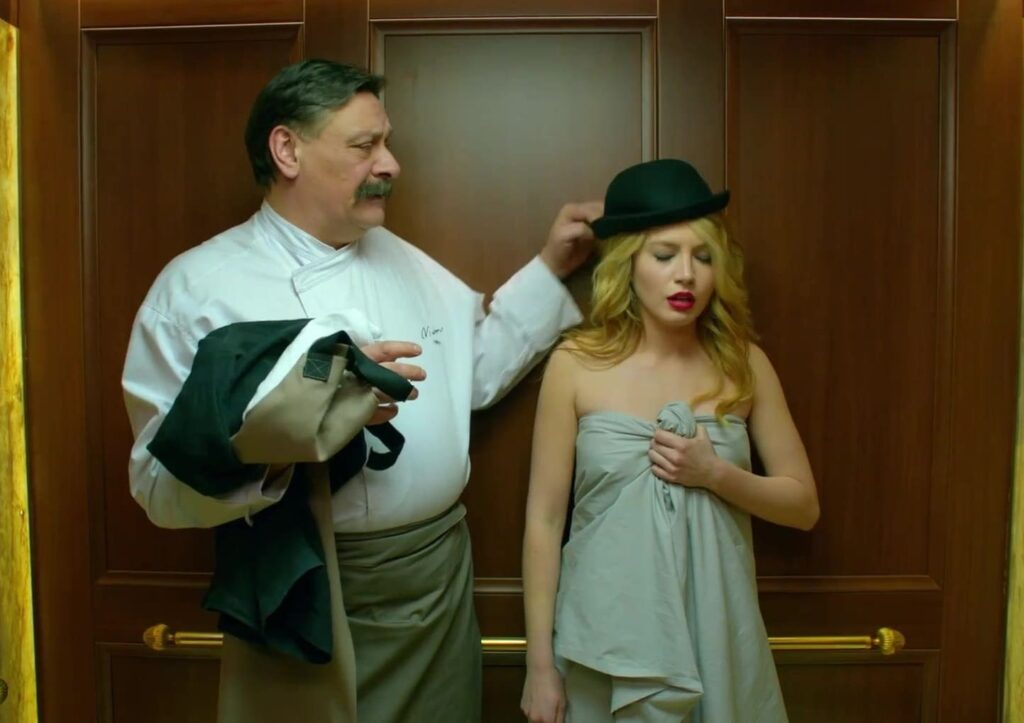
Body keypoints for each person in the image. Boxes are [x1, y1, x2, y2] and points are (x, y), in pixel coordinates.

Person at [122, 58, 601, 723]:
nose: (391, 164)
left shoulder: (407, 261)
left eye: (387, 142)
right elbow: (157, 487)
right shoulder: (194, 291)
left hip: (433, 589)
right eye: (364, 145)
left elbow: (474, 370)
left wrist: (552, 268)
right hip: (299, 585)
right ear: (287, 150)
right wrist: (292, 431)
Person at [520, 159, 819, 723]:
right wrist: (540, 666)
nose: (687, 275)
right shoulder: (574, 365)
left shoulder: (745, 365)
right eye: (664, 255)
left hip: (719, 637)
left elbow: (803, 506)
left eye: (703, 256)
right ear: (627, 262)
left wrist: (716, 475)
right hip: (605, 643)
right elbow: (544, 521)